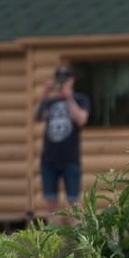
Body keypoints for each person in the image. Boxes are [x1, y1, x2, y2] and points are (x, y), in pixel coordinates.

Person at [34, 64, 90, 223]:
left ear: (72, 80)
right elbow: (38, 116)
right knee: (51, 201)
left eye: (65, 79)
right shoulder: (50, 102)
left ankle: (77, 236)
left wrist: (68, 98)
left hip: (70, 157)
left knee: (74, 200)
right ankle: (55, 237)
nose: (62, 82)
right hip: (49, 158)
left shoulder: (80, 99)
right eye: (59, 79)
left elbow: (82, 119)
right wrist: (44, 96)